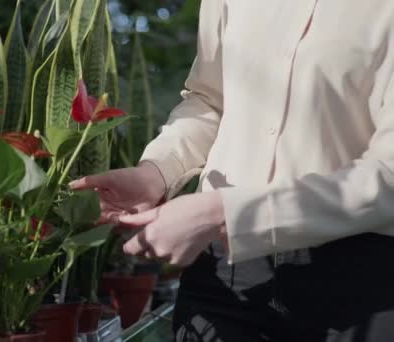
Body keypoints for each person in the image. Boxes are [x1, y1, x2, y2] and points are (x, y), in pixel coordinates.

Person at [69, 1, 394, 341]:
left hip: (362, 279)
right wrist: (157, 172)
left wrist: (225, 213)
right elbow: (209, 99)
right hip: (223, 274)